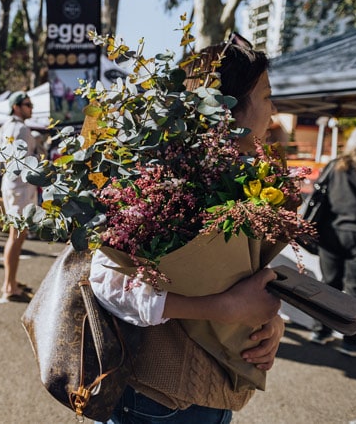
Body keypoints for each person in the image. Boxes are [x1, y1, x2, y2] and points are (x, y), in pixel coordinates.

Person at [91, 35, 284, 424]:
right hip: (154, 403)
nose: (274, 110)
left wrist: (270, 323)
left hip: (214, 396)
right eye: (266, 96)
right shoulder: (159, 177)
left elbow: (244, 275)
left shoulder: (245, 182)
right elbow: (108, 283)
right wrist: (223, 308)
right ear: (226, 109)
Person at [310, 123, 356, 356]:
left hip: (330, 233)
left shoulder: (335, 166)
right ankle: (351, 341)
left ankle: (320, 331)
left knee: (328, 285)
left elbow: (319, 196)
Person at [0, 91, 38, 302]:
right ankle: (9, 285)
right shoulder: (20, 128)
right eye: (27, 104)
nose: (31, 108)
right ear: (16, 107)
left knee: (17, 236)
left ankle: (10, 281)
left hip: (12, 186)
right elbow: (24, 164)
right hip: (20, 187)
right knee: (16, 236)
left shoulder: (4, 127)